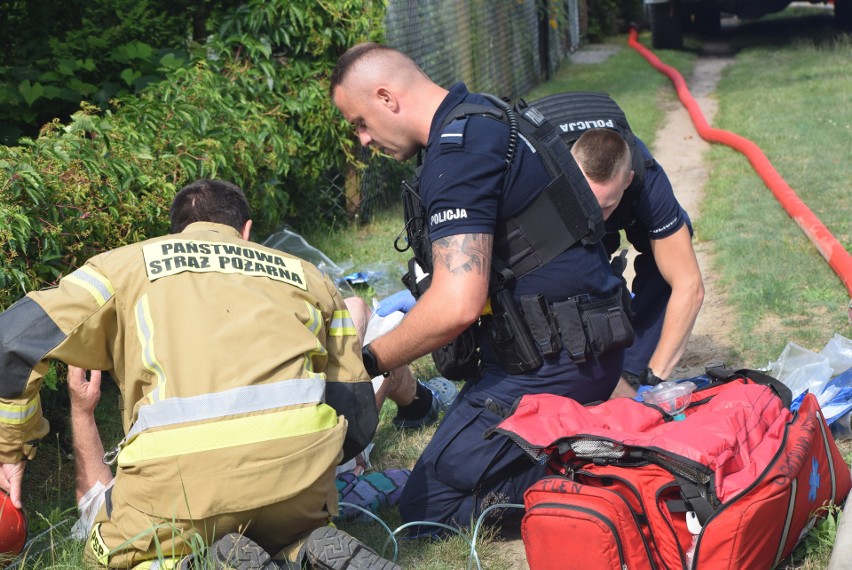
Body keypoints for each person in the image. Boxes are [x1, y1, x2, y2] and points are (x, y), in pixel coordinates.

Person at [0, 179, 399, 569]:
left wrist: (10, 451)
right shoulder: (309, 275)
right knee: (280, 525)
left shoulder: (123, 267)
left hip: (177, 489)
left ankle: (192, 562)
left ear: (174, 233)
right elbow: (354, 403)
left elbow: (12, 340)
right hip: (299, 487)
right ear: (245, 231)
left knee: (102, 552)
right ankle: (300, 549)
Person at [330, 43, 629, 533]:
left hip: (551, 367)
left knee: (430, 507)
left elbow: (456, 304)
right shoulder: (490, 115)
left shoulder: (458, 154)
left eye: (360, 122)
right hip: (585, 345)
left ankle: (612, 475)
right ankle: (585, 439)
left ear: (386, 98)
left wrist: (367, 363)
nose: (362, 139)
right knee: (445, 474)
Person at [570, 128, 705, 397]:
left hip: (622, 199)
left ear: (628, 180)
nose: (598, 217)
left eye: (606, 206)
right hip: (564, 207)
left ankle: (633, 365)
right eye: (591, 204)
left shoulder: (647, 179)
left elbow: (689, 285)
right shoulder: (539, 175)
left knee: (670, 259)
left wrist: (653, 379)